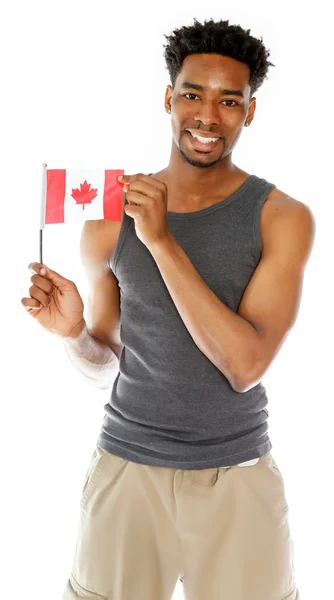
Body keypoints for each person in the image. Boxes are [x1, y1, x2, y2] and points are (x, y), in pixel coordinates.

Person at [21, 17, 315, 600]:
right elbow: (103, 363)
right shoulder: (109, 217)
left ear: (250, 111)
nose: (208, 116)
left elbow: (245, 365)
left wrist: (161, 240)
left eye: (230, 101)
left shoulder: (281, 217)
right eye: (192, 94)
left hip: (238, 475)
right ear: (168, 98)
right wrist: (74, 332)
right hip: (126, 470)